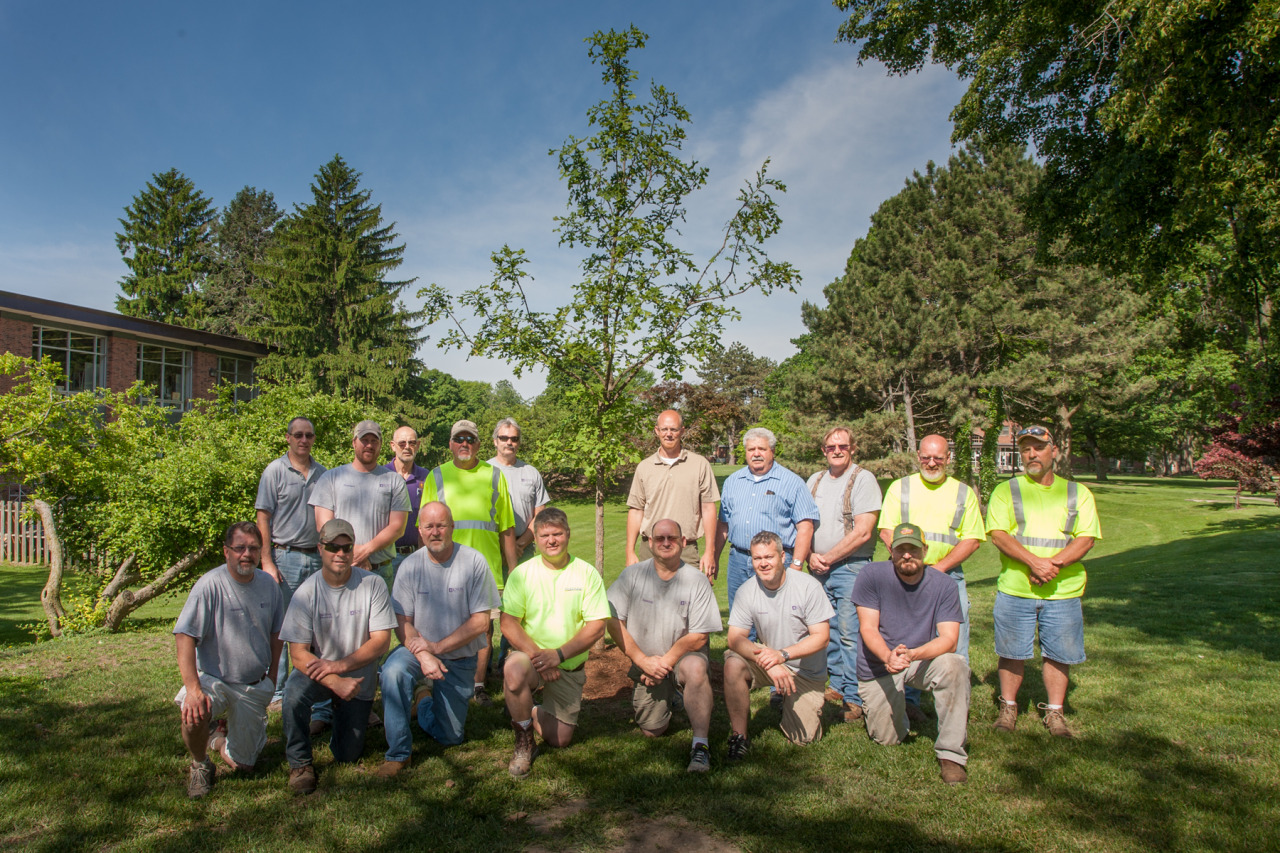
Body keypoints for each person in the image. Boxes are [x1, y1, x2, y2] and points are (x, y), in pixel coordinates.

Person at [986, 425, 1101, 738]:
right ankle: (1008, 707)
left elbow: (1086, 538)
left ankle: (1054, 712)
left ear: (1055, 450)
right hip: (1016, 587)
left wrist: (1053, 564)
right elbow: (998, 534)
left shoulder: (1078, 493)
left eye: (1038, 447)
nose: (1031, 454)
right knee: (1011, 652)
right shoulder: (1006, 490)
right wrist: (1033, 563)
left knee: (1059, 654)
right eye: (1025, 449)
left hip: (1063, 590)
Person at [375, 502, 500, 777]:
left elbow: (481, 622)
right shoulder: (409, 566)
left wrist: (437, 648)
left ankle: (423, 701)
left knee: (451, 737)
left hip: (458, 655)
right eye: (429, 526)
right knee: (393, 672)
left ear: (452, 527)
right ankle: (398, 754)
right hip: (418, 649)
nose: (435, 532)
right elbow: (401, 622)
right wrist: (425, 654)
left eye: (441, 525)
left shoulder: (473, 561)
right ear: (420, 530)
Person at [280, 519, 396, 795]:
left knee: (347, 755)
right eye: (333, 547)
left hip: (358, 677)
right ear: (320, 548)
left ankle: (340, 715)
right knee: (293, 693)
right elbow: (297, 654)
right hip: (320, 674)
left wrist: (341, 666)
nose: (341, 554)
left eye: (346, 547)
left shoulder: (373, 584)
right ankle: (300, 763)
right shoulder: (305, 593)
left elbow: (381, 641)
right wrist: (334, 680)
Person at [877, 433, 984, 724]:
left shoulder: (963, 492)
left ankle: (954, 705)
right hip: (906, 575)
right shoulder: (902, 488)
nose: (932, 462)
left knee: (954, 643)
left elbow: (973, 538)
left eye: (938, 457)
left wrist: (937, 570)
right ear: (918, 456)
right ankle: (908, 702)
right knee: (906, 637)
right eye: (926, 457)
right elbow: (886, 530)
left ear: (949, 458)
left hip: (948, 576)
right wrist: (910, 563)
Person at [173, 522, 284, 798]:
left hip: (252, 685)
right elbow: (184, 636)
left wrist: (271, 678)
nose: (247, 554)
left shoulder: (269, 586)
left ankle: (218, 740)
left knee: (242, 765)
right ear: (226, 551)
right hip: (214, 680)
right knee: (193, 716)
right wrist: (193, 690)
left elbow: (277, 634)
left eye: (254, 548)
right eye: (240, 548)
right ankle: (200, 764)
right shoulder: (209, 585)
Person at [854, 522, 970, 785]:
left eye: (914, 549)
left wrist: (914, 654)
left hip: (919, 659)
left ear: (925, 551)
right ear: (891, 551)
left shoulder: (944, 585)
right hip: (880, 662)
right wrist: (888, 656)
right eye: (901, 549)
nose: (907, 555)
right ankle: (901, 707)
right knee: (887, 739)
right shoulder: (871, 575)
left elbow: (950, 640)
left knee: (955, 665)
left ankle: (951, 755)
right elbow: (868, 629)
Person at [501, 507, 611, 777]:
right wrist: (541, 657)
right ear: (535, 539)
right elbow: (507, 623)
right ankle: (524, 742)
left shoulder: (586, 573)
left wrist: (559, 655)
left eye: (557, 534)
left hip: (567, 665)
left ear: (568, 535)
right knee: (513, 670)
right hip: (531, 659)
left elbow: (597, 625)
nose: (551, 540)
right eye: (544, 535)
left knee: (560, 739)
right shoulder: (522, 574)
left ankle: (528, 710)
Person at [607, 518, 723, 773]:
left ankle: (700, 745)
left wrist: (664, 663)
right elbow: (613, 620)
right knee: (653, 730)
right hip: (646, 662)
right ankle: (676, 698)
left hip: (682, 659)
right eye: (659, 538)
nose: (666, 543)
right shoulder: (632, 575)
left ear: (683, 542)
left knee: (695, 668)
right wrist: (643, 661)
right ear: (649, 542)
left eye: (672, 538)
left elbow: (700, 636)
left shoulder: (696, 580)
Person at [423, 419, 518, 706]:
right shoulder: (436, 476)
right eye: (459, 439)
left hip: (485, 569)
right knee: (441, 624)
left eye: (470, 439)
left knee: (484, 628)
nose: (464, 443)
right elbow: (424, 526)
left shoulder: (493, 475)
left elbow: (506, 526)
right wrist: (423, 566)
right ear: (451, 444)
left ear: (478, 444)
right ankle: (437, 678)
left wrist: (513, 569)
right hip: (444, 568)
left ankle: (478, 686)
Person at [722, 531, 834, 761]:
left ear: (783, 556)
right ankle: (739, 737)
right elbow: (734, 638)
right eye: (757, 558)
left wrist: (782, 656)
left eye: (769, 557)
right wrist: (768, 660)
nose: (763, 564)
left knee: (804, 738)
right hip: (770, 662)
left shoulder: (808, 587)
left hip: (805, 671)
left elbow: (822, 637)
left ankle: (792, 702)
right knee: (732, 662)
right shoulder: (747, 590)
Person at [805, 426, 881, 724]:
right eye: (831, 447)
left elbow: (863, 531)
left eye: (843, 447)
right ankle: (836, 685)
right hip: (818, 567)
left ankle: (854, 696)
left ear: (853, 448)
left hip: (851, 567)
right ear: (823, 451)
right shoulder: (815, 480)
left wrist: (828, 557)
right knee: (827, 631)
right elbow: (805, 522)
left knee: (851, 634)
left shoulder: (863, 480)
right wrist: (810, 555)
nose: (837, 451)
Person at [254, 416, 326, 710]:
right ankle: (278, 691)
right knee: (284, 628)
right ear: (287, 438)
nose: (303, 440)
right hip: (286, 557)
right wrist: (267, 561)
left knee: (318, 627)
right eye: (298, 435)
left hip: (318, 557)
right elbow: (263, 517)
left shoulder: (323, 473)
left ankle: (315, 689)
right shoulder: (274, 471)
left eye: (309, 435)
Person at [715, 427, 821, 614]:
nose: (756, 454)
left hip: (776, 561)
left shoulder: (791, 482)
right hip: (739, 561)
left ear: (772, 451)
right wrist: (714, 557)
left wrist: (796, 565)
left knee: (777, 618)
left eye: (762, 449)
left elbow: (805, 526)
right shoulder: (733, 481)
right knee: (741, 621)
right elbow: (723, 524)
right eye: (751, 449)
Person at [309, 420, 410, 587]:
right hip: (340, 567)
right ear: (354, 442)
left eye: (374, 441)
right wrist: (351, 552)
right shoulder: (331, 478)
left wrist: (364, 552)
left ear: (381, 444)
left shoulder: (394, 481)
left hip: (381, 570)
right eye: (364, 440)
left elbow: (397, 528)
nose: (369, 445)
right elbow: (323, 524)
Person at [625, 409, 721, 578]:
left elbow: (708, 509)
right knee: (647, 602)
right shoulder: (644, 467)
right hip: (650, 550)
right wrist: (630, 551)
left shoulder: (699, 464)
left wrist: (709, 551)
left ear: (682, 431)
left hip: (686, 549)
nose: (668, 434)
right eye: (664, 429)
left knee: (690, 602)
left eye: (674, 429)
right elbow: (636, 510)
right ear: (657, 431)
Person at [487, 417, 550, 564]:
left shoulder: (531, 472)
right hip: (493, 548)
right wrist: (505, 548)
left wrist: (518, 545)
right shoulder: (483, 471)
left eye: (514, 439)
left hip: (524, 550)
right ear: (495, 441)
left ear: (519, 443)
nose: (509, 442)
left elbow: (539, 514)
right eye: (504, 438)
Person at [382, 425, 430, 575]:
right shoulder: (381, 475)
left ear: (418, 446)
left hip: (417, 556)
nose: (407, 447)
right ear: (392, 446)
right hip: (386, 557)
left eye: (412, 443)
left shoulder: (427, 477)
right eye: (402, 443)